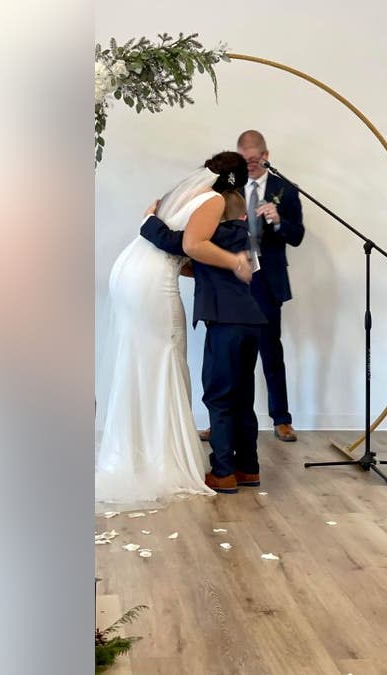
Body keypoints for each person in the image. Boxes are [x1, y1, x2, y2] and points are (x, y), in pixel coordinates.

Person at [94, 152, 252, 506]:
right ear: (236, 183)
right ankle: (161, 457)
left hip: (131, 274)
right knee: (166, 356)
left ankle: (135, 453)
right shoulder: (212, 200)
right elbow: (192, 245)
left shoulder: (182, 196)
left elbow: (178, 244)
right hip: (152, 282)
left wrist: (150, 221)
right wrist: (234, 262)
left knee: (139, 362)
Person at [140, 164, 269, 494]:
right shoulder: (246, 240)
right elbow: (206, 270)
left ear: (219, 215)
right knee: (242, 397)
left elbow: (175, 241)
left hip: (225, 323)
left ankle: (223, 471)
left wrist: (150, 219)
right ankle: (248, 468)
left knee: (219, 396)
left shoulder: (217, 236)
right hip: (251, 322)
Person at [199, 130, 305, 443]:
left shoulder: (284, 189)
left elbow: (297, 236)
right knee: (226, 356)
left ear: (266, 156)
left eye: (256, 161)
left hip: (266, 281)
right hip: (232, 279)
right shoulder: (226, 188)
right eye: (245, 161)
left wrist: (277, 221)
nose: (251, 167)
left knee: (271, 351)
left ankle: (281, 419)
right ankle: (220, 421)